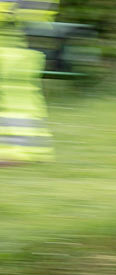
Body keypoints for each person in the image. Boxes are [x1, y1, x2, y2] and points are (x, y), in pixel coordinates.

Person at [0, 0, 59, 164]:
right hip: (17, 45)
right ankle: (31, 148)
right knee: (19, 98)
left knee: (15, 97)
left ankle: (19, 150)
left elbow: (31, 12)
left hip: (15, 48)